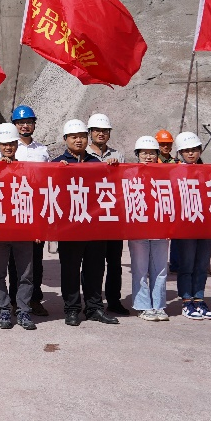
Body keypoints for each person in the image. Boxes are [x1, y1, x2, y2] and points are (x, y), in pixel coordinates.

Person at [52, 119, 117, 327]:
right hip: (69, 228)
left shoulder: (96, 164)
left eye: (82, 137)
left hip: (94, 227)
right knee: (70, 270)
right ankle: (72, 309)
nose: (78, 140)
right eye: (74, 137)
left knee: (95, 269)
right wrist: (56, 173)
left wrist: (113, 169)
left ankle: (95, 308)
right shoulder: (56, 164)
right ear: (65, 140)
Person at [0, 123, 37, 330]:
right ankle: (4, 311)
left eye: (11, 144)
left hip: (22, 229)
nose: (8, 148)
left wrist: (37, 229)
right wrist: (1, 168)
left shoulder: (26, 168)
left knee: (26, 274)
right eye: (4, 144)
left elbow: (36, 198)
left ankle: (24, 311)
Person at [6, 104, 49, 317]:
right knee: (15, 260)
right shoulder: (8, 148)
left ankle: (34, 299)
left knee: (36, 259)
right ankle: (15, 299)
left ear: (34, 124)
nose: (24, 126)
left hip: (36, 209)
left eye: (28, 122)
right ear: (14, 125)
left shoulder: (42, 150)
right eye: (20, 122)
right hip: (15, 208)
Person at [86, 113, 129, 316]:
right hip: (91, 217)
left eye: (104, 131)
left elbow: (125, 182)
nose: (101, 134)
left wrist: (116, 169)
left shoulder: (118, 155)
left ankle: (114, 299)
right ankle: (92, 301)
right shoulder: (82, 155)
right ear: (90, 133)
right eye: (97, 131)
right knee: (92, 263)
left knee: (114, 262)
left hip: (113, 217)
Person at [173, 131, 211, 321]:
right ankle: (186, 301)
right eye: (186, 151)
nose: (191, 154)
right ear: (180, 153)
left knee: (201, 264)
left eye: (194, 150)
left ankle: (199, 299)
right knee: (187, 264)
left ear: (200, 150)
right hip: (185, 226)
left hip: (206, 224)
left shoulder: (209, 171)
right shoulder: (173, 172)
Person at [128, 136, 169, 321]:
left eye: (152, 153)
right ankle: (143, 306)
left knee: (160, 269)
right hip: (138, 229)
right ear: (137, 155)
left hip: (160, 228)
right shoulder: (129, 173)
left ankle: (159, 306)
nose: (148, 156)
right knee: (140, 269)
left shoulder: (166, 173)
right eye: (144, 153)